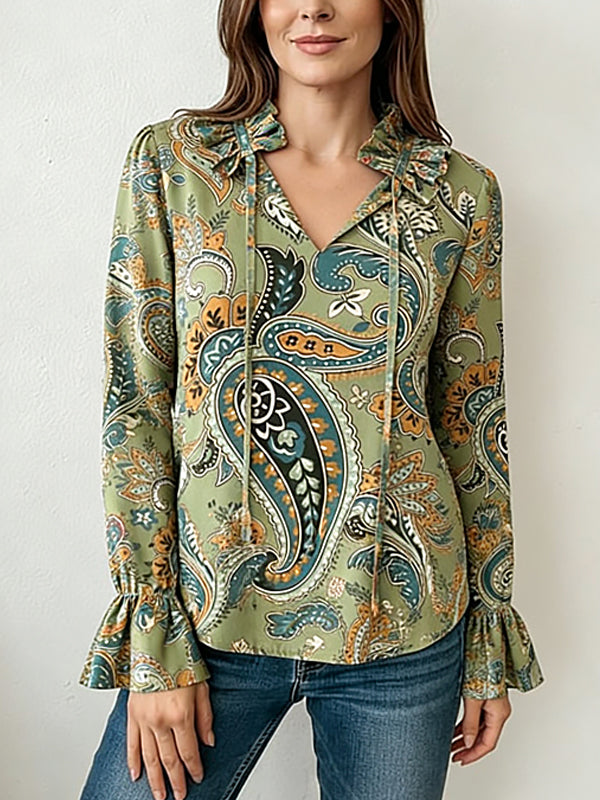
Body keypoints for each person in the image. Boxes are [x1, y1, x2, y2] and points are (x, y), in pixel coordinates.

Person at [78, 1, 545, 798]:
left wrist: (488, 632)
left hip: (405, 630)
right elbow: (136, 404)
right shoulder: (178, 165)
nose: (315, 8)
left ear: (392, 11)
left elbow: (474, 422)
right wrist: (152, 634)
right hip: (206, 622)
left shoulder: (459, 194)